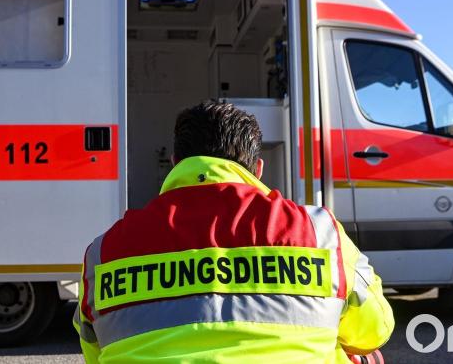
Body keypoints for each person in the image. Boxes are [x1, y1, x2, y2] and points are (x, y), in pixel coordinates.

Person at [74, 100, 394, 363]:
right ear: (258, 169)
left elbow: (94, 350)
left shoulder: (104, 251)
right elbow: (376, 329)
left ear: (175, 162)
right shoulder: (320, 232)